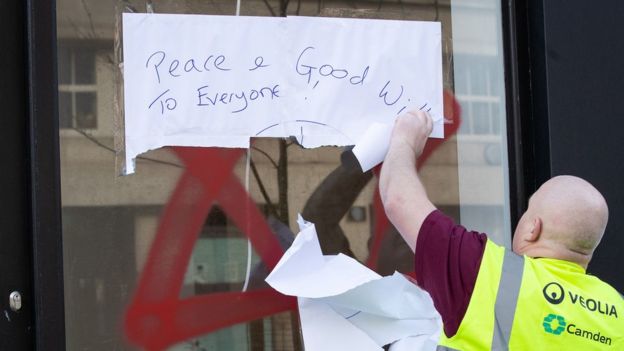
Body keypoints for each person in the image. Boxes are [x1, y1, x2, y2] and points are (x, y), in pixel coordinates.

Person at [379, 110, 624, 350]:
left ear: (533, 229)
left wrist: (405, 139)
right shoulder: (618, 312)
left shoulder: (485, 272)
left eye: (527, 211)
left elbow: (398, 200)